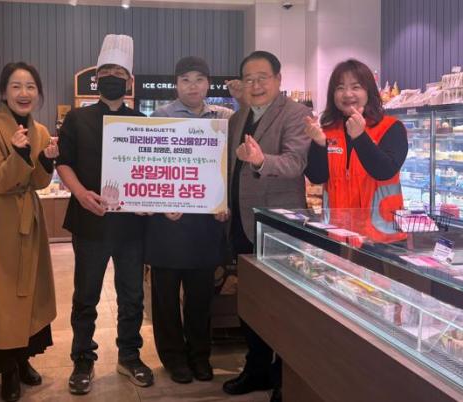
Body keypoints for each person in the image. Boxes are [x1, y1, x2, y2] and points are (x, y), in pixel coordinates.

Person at [55, 34, 154, 395]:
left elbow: (150, 172)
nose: (113, 76)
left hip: (131, 226)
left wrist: (150, 198)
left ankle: (129, 355)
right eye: (107, 71)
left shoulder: (142, 122)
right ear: (96, 78)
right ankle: (83, 359)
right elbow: (63, 162)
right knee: (86, 296)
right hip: (90, 221)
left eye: (119, 72)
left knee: (132, 296)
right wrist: (81, 194)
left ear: (129, 81)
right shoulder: (77, 118)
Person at [222, 51, 312, 402]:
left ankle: (285, 377)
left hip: (280, 226)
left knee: (284, 305)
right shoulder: (237, 117)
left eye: (263, 77)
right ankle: (257, 367)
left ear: (278, 79)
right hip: (242, 224)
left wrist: (261, 161)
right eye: (249, 79)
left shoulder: (296, 114)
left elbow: (295, 162)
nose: (256, 85)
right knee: (252, 302)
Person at [0, 62, 59, 402]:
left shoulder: (40, 131)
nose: (24, 93)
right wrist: (19, 153)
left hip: (27, 219)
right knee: (4, 292)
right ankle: (7, 369)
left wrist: (46, 160)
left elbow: (38, 183)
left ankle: (23, 359)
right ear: (4, 92)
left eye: (30, 86)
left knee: (29, 289)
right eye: (16, 86)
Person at [145, 56, 232, 384]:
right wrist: (161, 202)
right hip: (168, 225)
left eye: (199, 79)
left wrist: (224, 203)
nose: (192, 86)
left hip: (206, 225)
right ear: (176, 84)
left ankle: (199, 356)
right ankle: (173, 358)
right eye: (185, 80)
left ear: (208, 84)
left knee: (200, 297)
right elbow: (151, 166)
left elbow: (228, 169)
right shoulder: (160, 117)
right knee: (166, 298)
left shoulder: (223, 119)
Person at [304, 58, 408, 240]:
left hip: (381, 239)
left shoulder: (391, 128)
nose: (347, 94)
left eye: (356, 87)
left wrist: (360, 137)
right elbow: (316, 177)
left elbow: (385, 171)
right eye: (340, 88)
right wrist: (319, 144)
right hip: (338, 235)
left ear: (369, 91)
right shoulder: (328, 131)